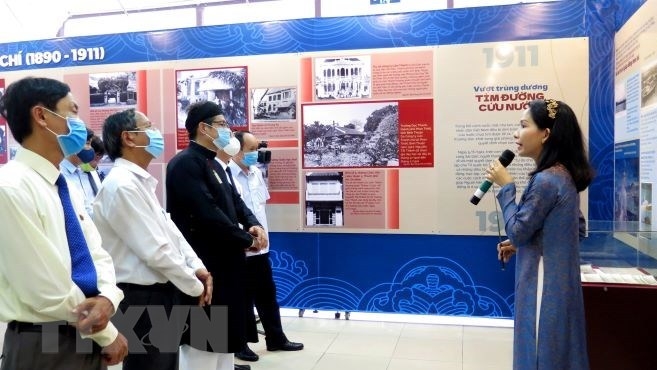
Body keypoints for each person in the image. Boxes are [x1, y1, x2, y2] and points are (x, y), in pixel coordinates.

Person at [0, 76, 128, 369]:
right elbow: (43, 287)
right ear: (42, 116)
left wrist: (108, 297)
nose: (80, 123)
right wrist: (106, 333)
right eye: (72, 111)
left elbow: (96, 253)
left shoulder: (58, 183)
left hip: (84, 332)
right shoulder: (11, 187)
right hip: (45, 339)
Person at [92, 108, 213, 370]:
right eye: (149, 126)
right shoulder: (121, 185)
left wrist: (197, 267)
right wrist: (195, 286)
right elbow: (155, 251)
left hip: (160, 293)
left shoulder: (139, 182)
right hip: (141, 298)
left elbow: (170, 233)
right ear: (129, 138)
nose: (157, 133)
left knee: (165, 364)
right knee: (151, 365)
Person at [486, 98, 594, 370]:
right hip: (559, 281)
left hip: (543, 285)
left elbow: (519, 230)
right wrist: (529, 244)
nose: (516, 134)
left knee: (538, 352)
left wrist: (507, 187)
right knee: (558, 352)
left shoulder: (546, 179)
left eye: (524, 126)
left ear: (545, 134)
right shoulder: (563, 175)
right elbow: (575, 229)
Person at [166, 101, 267, 370]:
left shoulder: (215, 164)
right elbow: (207, 213)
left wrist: (254, 224)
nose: (228, 130)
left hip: (228, 267)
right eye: (222, 124)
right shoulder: (184, 164)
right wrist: (247, 240)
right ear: (204, 127)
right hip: (206, 268)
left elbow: (236, 203)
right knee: (203, 345)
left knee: (224, 345)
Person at [229, 131, 304, 362]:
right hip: (240, 248)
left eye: (256, 149)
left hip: (260, 248)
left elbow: (260, 209)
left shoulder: (255, 174)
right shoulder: (227, 175)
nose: (255, 154)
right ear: (236, 150)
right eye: (250, 150)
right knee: (241, 299)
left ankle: (276, 338)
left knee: (267, 295)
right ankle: (240, 344)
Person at [60, 127, 102, 217]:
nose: (90, 148)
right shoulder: (60, 174)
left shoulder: (84, 172)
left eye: (90, 144)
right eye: (87, 143)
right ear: (73, 144)